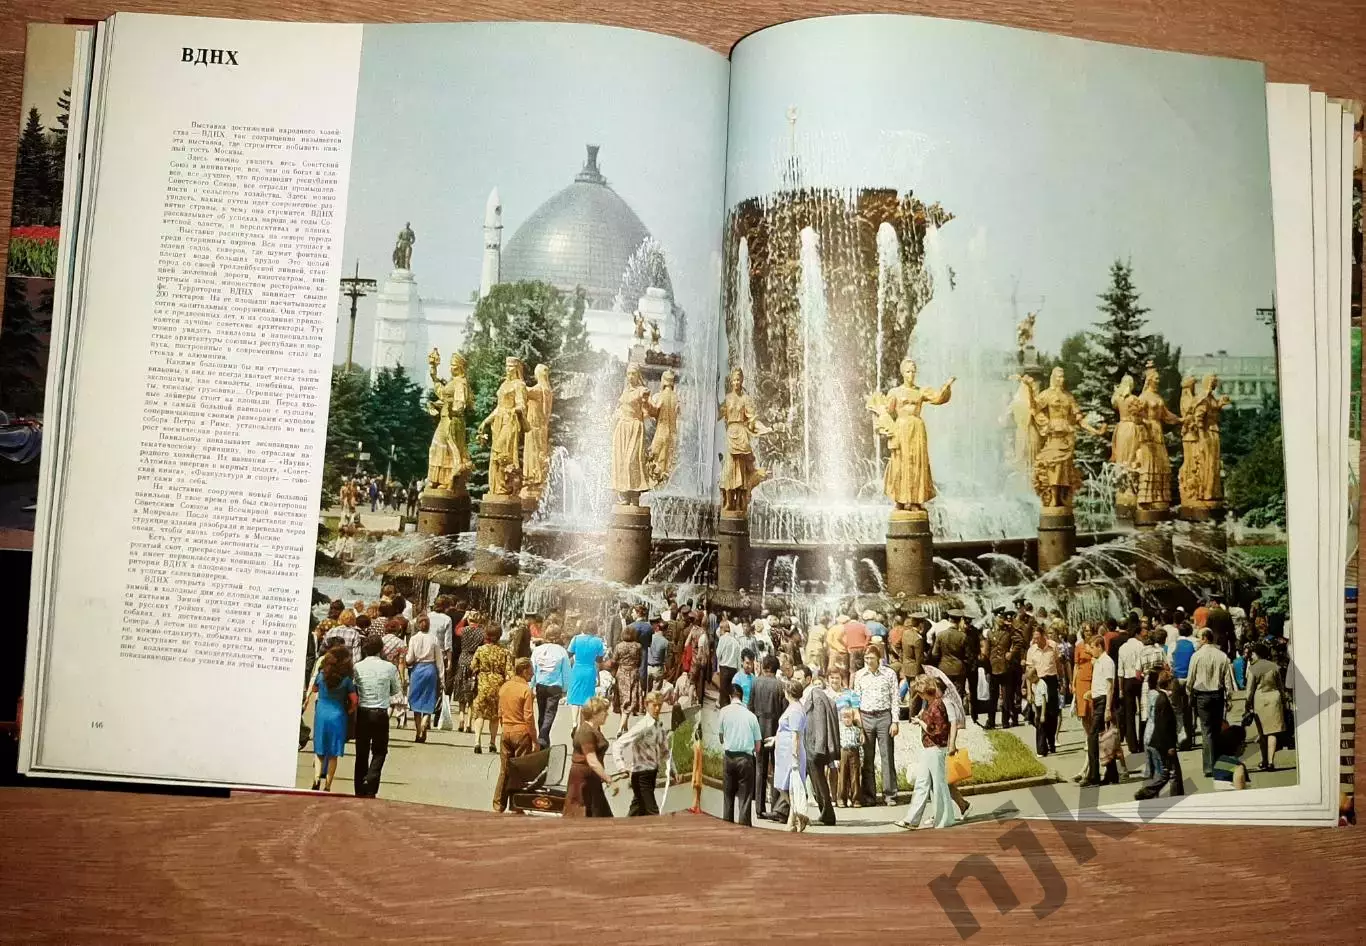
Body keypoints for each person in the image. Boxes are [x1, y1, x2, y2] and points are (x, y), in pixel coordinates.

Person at [893, 676, 957, 830]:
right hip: (930, 748)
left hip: (935, 748)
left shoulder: (936, 706)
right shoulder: (932, 704)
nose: (920, 696)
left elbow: (937, 730)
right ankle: (912, 819)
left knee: (938, 783)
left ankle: (944, 818)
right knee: (923, 783)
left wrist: (920, 722)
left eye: (921, 694)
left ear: (925, 693)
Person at [352, 632, 401, 797]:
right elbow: (395, 690)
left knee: (362, 751)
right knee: (380, 750)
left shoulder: (357, 667)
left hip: (363, 711)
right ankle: (371, 782)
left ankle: (359, 787)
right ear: (381, 649)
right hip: (380, 712)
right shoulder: (389, 667)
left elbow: (354, 688)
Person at [853, 645, 900, 807]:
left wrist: (895, 721)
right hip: (866, 716)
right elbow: (855, 700)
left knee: (887, 755)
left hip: (884, 716)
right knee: (867, 757)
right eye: (866, 658)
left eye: (871, 658)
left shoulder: (889, 673)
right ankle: (869, 795)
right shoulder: (859, 675)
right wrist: (858, 722)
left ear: (878, 658)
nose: (868, 661)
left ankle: (890, 794)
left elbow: (895, 698)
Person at [306, 643, 356, 792]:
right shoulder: (346, 680)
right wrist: (350, 710)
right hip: (338, 714)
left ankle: (316, 779)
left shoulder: (321, 676)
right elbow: (354, 700)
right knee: (333, 753)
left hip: (322, 712)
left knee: (319, 750)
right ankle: (328, 785)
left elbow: (315, 689)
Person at [613, 691, 670, 816]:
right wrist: (621, 766)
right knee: (652, 810)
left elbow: (665, 751)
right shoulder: (642, 726)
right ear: (646, 705)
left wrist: (673, 770)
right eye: (654, 705)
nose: (657, 708)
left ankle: (625, 831)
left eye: (659, 705)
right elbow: (618, 744)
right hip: (641, 774)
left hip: (652, 773)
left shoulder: (659, 726)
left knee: (637, 809)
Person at [1187, 628, 1234, 777]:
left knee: (1206, 731)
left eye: (1200, 638)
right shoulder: (1222, 656)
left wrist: (1189, 694)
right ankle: (1218, 763)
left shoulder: (1196, 656)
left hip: (1202, 696)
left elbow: (1190, 678)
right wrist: (1229, 698)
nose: (1198, 641)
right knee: (1216, 729)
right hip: (1217, 695)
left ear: (1205, 638)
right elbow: (1228, 679)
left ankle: (1208, 766)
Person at [493, 658, 536, 812]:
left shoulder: (504, 687)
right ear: (524, 671)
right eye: (531, 671)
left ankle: (498, 803)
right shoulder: (526, 690)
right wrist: (535, 739)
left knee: (504, 770)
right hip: (521, 732)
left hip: (506, 731)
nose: (532, 674)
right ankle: (516, 804)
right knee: (519, 771)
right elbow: (529, 718)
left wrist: (504, 727)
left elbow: (499, 712)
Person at [797, 668, 838, 826]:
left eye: (799, 677)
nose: (796, 680)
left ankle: (828, 813)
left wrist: (820, 747)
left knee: (819, 779)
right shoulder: (806, 695)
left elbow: (820, 722)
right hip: (808, 744)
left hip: (815, 745)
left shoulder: (815, 694)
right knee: (815, 780)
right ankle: (825, 812)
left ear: (808, 679)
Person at [564, 696, 617, 817]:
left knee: (598, 814)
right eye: (604, 712)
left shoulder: (593, 729)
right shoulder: (586, 731)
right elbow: (592, 760)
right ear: (595, 714)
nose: (607, 715)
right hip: (582, 780)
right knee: (581, 814)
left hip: (592, 778)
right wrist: (609, 779)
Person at [718, 682, 763, 826]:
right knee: (745, 798)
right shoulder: (751, 716)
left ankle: (727, 824)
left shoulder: (724, 712)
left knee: (728, 795)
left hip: (729, 757)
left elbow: (720, 736)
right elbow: (758, 745)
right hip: (745, 759)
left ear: (730, 696)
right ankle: (743, 826)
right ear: (742, 697)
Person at [1134, 668, 1182, 800]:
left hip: (1151, 736)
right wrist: (1170, 745)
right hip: (1161, 739)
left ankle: (1150, 793)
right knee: (1169, 772)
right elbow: (1164, 724)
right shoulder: (1162, 699)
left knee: (1162, 772)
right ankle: (1151, 793)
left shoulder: (1152, 695)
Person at [749, 655, 786, 821]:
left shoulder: (756, 683)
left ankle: (759, 808)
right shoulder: (780, 685)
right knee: (777, 768)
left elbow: (750, 707)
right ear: (776, 668)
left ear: (764, 667)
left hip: (758, 728)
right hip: (775, 729)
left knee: (760, 769)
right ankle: (775, 807)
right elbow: (784, 711)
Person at [772, 679, 810, 832]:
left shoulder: (795, 710)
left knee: (790, 786)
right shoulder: (793, 707)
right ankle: (795, 816)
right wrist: (776, 739)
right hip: (784, 752)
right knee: (784, 786)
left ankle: (793, 818)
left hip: (790, 753)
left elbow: (795, 734)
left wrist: (794, 755)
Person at [1083, 637, 1120, 786]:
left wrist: (1107, 708)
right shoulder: (1098, 661)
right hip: (1097, 699)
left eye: (1093, 647)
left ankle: (1094, 775)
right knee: (1103, 738)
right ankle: (1112, 774)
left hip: (1104, 701)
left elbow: (1110, 686)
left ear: (1099, 646)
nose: (1091, 651)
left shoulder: (1107, 662)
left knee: (1093, 737)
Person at [471, 625, 512, 755]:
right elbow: (509, 671)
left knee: (480, 713)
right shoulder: (505, 652)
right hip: (498, 685)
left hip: (483, 684)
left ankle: (477, 741)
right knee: (494, 716)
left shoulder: (481, 650)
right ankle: (492, 743)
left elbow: (473, 666)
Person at [1245, 642, 1286, 771]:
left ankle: (1263, 760)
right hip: (1275, 698)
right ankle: (1270, 761)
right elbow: (1280, 685)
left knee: (1262, 733)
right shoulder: (1274, 666)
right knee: (1273, 732)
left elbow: (1250, 690)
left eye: (1252, 653)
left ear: (1256, 654)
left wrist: (1247, 703)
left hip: (1260, 700)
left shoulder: (1253, 668)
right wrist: (1284, 700)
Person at [404, 615, 445, 744]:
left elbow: (410, 658)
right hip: (430, 669)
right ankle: (425, 721)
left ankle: (418, 732)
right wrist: (442, 678)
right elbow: (439, 660)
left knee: (415, 700)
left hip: (417, 670)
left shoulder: (414, 639)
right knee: (429, 698)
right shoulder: (434, 639)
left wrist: (404, 661)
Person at [530, 626, 569, 749]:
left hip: (540, 684)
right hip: (555, 686)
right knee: (550, 713)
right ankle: (543, 736)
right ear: (559, 636)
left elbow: (532, 669)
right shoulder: (562, 651)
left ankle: (543, 740)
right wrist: (565, 688)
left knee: (541, 713)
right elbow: (566, 671)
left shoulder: (538, 650)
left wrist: (531, 685)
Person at [1025, 627, 1061, 756]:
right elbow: (1028, 672)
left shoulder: (1053, 646)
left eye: (1037, 637)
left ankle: (1051, 741)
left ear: (1043, 636)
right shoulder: (1031, 650)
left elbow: (1058, 664)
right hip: (1038, 682)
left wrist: (1062, 682)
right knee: (1039, 716)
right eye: (1034, 638)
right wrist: (1029, 691)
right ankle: (1042, 747)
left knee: (1052, 715)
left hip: (1051, 681)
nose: (1035, 640)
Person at [565, 624, 606, 728]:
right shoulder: (598, 641)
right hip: (590, 670)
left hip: (577, 669)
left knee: (575, 695)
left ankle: (574, 722)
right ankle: (582, 724)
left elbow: (568, 654)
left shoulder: (576, 639)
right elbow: (600, 659)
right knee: (587, 697)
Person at [453, 611, 485, 733]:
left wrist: (463, 618)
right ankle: (468, 723)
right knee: (472, 692)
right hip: (474, 661)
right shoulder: (481, 632)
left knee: (461, 689)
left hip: (462, 659)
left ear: (469, 620)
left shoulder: (464, 630)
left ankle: (461, 717)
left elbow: (456, 630)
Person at [1116, 625, 1145, 754]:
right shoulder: (1141, 646)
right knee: (1143, 710)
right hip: (1140, 679)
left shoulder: (1122, 648)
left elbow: (1120, 672)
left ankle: (1132, 744)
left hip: (1127, 681)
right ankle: (1143, 741)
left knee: (1129, 713)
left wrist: (1121, 689)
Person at [1169, 621, 1197, 750]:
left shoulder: (1173, 645)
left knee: (1177, 711)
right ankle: (1190, 738)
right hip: (1189, 679)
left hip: (1176, 679)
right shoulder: (1193, 644)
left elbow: (1169, 662)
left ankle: (1181, 738)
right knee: (1189, 709)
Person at [612, 634, 644, 736]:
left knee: (622, 699)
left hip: (621, 672)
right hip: (633, 672)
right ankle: (622, 727)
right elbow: (640, 661)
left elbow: (614, 660)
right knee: (631, 699)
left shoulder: (619, 646)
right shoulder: (638, 646)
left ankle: (623, 726)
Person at [1211, 725, 1250, 790]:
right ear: (1236, 745)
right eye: (1243, 742)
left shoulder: (1218, 763)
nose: (1246, 745)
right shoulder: (1238, 767)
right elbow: (1241, 791)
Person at [716, 623, 742, 708]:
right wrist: (738, 671)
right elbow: (738, 658)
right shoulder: (735, 641)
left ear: (722, 629)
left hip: (724, 668)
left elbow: (718, 654)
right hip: (733, 669)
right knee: (732, 691)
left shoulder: (722, 639)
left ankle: (724, 710)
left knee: (723, 692)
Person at [647, 622, 670, 690]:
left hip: (648, 667)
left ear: (657, 628)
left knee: (646, 691)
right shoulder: (665, 642)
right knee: (655, 695)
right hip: (658, 668)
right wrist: (667, 669)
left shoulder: (650, 637)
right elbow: (666, 658)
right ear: (666, 630)